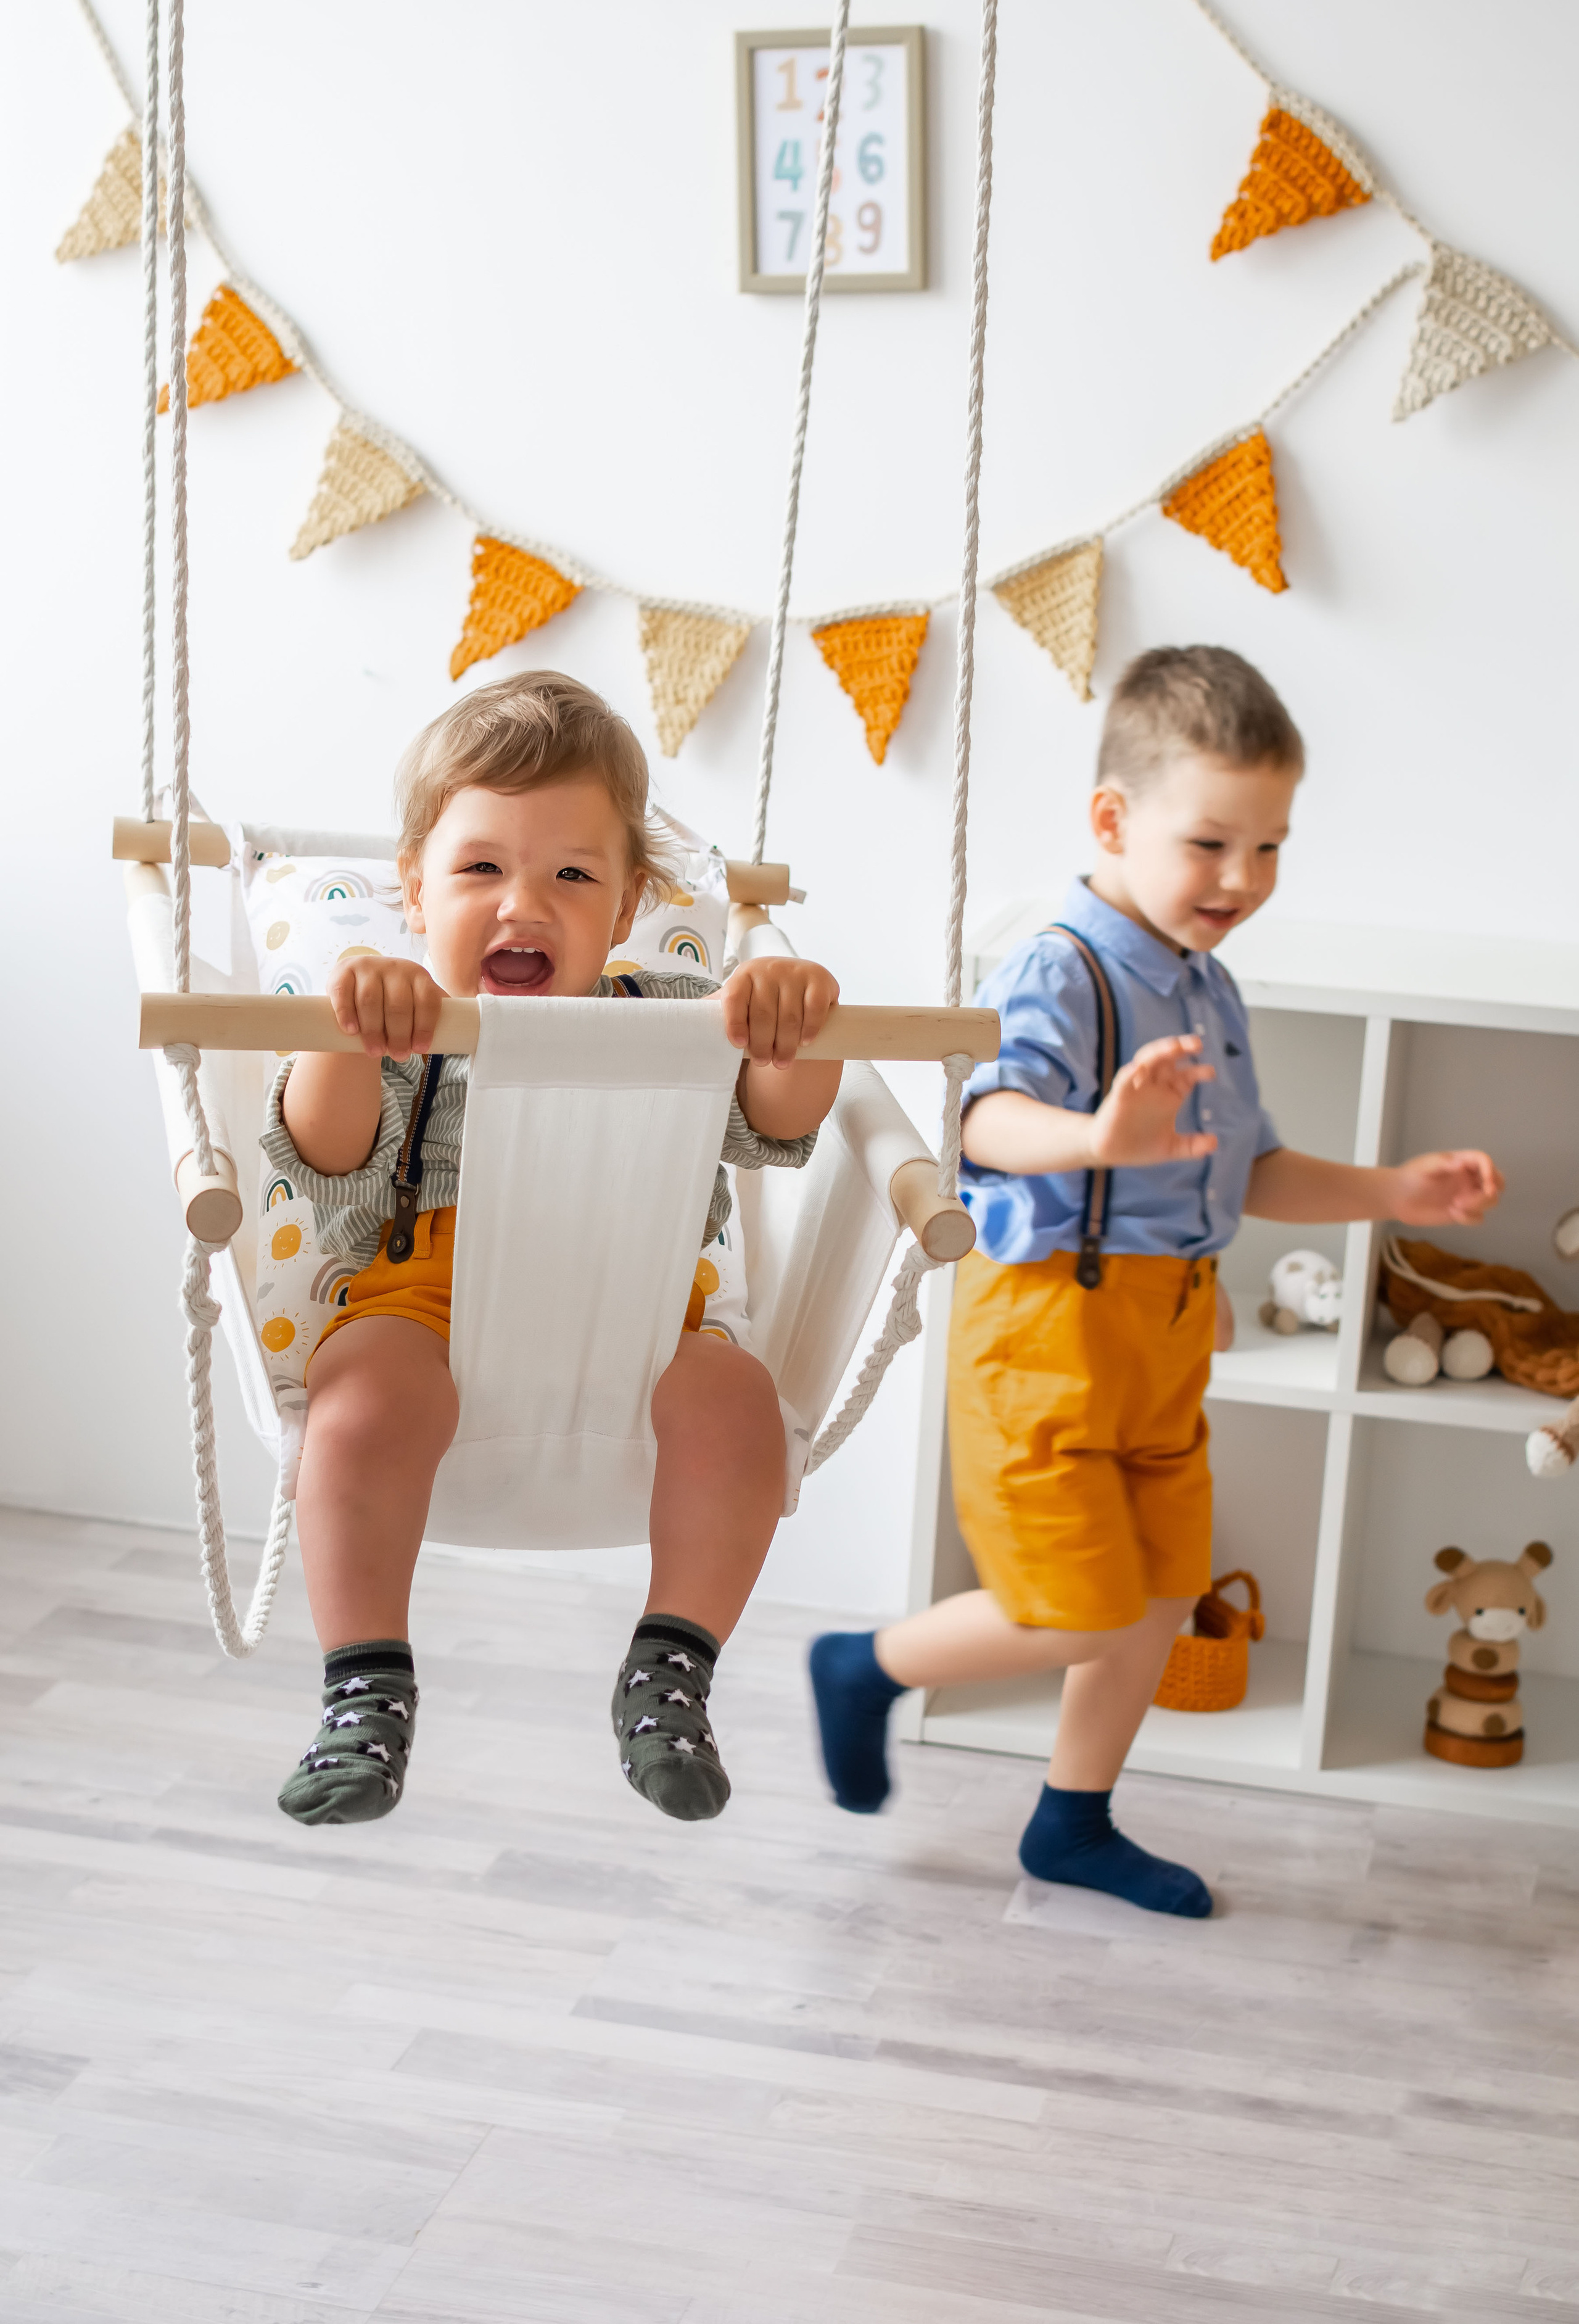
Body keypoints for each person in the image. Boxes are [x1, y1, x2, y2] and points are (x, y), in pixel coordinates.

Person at [808, 644, 1502, 1917]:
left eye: (1269, 847)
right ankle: (867, 1664)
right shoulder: (1058, 966)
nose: (1242, 880)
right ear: (1112, 821)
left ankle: (1072, 1823)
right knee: (1074, 1609)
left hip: (1166, 1338)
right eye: (1210, 844)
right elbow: (984, 1119)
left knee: (1161, 1592)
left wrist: (1393, 1193)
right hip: (1047, 1337)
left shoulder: (1206, 983)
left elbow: (1254, 1170)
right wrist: (1091, 1140)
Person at [265, 671, 841, 1830]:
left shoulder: (676, 1008)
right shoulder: (401, 1017)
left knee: (739, 1400)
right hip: (426, 1300)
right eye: (481, 869)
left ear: (627, 908)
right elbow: (324, 1156)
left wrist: (791, 1016)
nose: (523, 903)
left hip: (637, 1319)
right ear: (415, 892)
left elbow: (780, 1118)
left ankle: (671, 1672)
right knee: (361, 1403)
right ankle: (364, 1686)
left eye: (571, 874)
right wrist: (344, 1026)